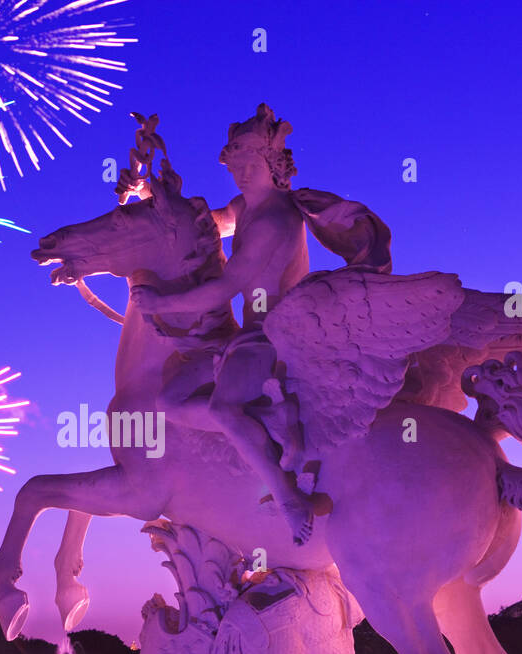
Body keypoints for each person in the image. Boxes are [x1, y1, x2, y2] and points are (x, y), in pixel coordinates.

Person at [131, 104, 391, 544]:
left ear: (272, 165)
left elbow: (225, 286)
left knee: (222, 409)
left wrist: (162, 301)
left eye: (251, 165)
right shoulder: (244, 208)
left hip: (273, 339)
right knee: (168, 401)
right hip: (242, 338)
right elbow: (207, 228)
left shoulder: (275, 219)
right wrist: (149, 195)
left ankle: (288, 495)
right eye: (236, 166)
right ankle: (270, 420)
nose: (242, 174)